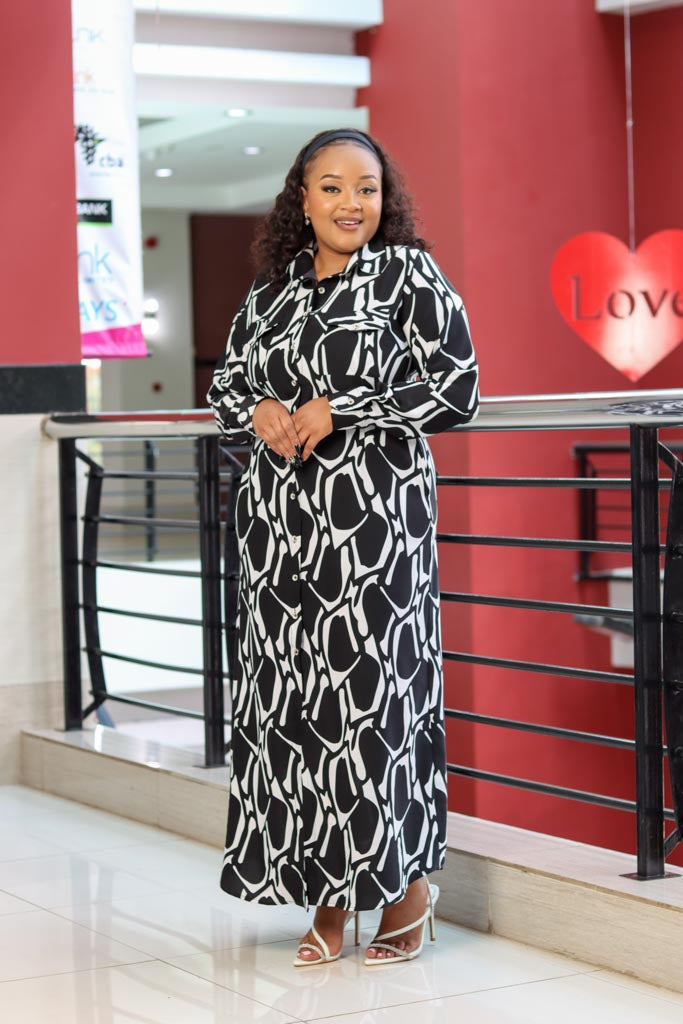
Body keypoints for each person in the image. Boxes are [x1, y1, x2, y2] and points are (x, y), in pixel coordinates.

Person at [207, 127, 479, 967]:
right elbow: (225, 385)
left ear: (384, 199)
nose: (350, 203)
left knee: (372, 703)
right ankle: (326, 894)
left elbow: (456, 386)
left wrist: (345, 406)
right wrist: (257, 409)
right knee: (295, 710)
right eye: (331, 187)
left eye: (366, 188)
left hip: (374, 531)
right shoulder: (273, 290)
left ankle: (403, 892)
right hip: (279, 532)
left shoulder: (407, 275)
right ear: (302, 197)